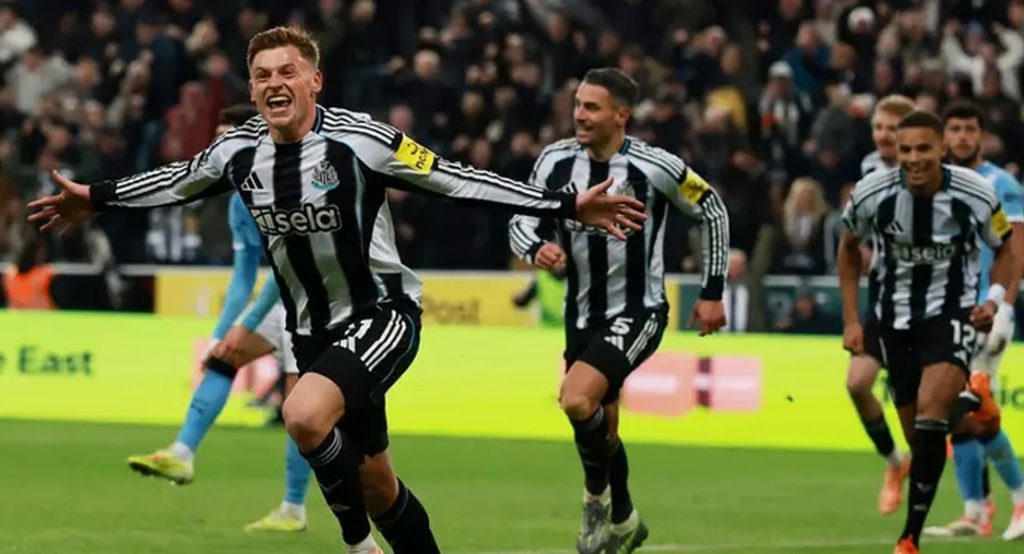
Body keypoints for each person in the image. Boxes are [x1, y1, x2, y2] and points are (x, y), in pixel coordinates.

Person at [26, 26, 646, 554]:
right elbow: (176, 179)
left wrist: (566, 205)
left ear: (314, 81)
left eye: (288, 72)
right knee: (378, 488)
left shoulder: (362, 140)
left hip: (382, 314)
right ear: (251, 91)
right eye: (262, 75)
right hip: (311, 329)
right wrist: (95, 199)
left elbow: (456, 179)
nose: (275, 83)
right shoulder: (237, 152)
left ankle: (356, 548)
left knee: (302, 414)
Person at [509, 68, 728, 554]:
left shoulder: (655, 166)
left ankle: (595, 501)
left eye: (592, 107)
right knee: (601, 428)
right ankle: (625, 518)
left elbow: (711, 208)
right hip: (580, 315)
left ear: (621, 115)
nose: (580, 115)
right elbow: (521, 219)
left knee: (575, 399)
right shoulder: (554, 161)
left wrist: (712, 291)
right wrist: (536, 247)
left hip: (639, 309)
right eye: (577, 104)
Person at [125, 104, 313, 533]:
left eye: (228, 140)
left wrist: (244, 325)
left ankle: (294, 508)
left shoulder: (286, 188)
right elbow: (245, 275)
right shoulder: (237, 203)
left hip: (316, 301)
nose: (219, 151)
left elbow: (286, 267)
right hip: (282, 297)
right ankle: (182, 453)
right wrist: (221, 332)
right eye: (217, 141)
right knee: (223, 356)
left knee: (299, 410)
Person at [839, 110, 1020, 554]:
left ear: (942, 148)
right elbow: (848, 248)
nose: (914, 158)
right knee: (922, 437)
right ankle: (976, 404)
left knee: (931, 411)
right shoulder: (872, 193)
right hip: (892, 318)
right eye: (906, 150)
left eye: (923, 148)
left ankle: (909, 538)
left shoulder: (977, 193)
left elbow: (1007, 250)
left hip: (951, 311)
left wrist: (994, 300)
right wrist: (851, 319)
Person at [921, 101, 1024, 541]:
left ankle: (1018, 497)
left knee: (972, 406)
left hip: (987, 311)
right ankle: (975, 511)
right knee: (956, 411)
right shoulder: (937, 183)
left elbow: (1016, 251)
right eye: (955, 129)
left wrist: (1005, 309)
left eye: (970, 129)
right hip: (947, 312)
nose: (962, 137)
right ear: (944, 136)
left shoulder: (1001, 184)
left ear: (982, 135)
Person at [847, 94, 917, 516]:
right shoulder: (869, 168)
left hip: (928, 298)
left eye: (892, 128)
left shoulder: (931, 173)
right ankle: (895, 462)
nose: (883, 136)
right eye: (878, 127)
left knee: (930, 405)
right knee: (857, 384)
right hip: (886, 295)